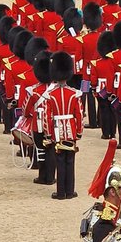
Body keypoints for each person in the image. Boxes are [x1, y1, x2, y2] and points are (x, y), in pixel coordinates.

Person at [44, 50, 84, 199]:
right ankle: (69, 191)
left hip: (56, 131)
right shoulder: (74, 94)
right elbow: (79, 115)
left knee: (59, 161)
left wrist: (48, 134)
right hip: (71, 130)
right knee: (70, 161)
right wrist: (79, 132)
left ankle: (60, 192)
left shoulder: (50, 95)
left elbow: (47, 116)